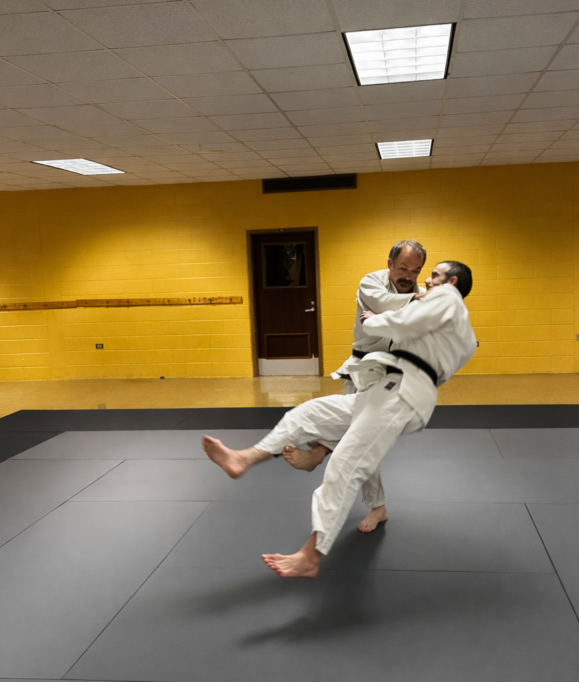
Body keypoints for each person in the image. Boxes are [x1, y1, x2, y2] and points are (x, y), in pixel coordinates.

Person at [203, 261, 477, 578]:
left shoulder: (447, 297)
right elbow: (417, 328)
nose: (427, 280)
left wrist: (376, 321)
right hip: (387, 388)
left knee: (346, 463)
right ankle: (244, 458)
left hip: (402, 394)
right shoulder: (458, 328)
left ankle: (311, 555)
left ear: (451, 282)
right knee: (309, 413)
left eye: (435, 275)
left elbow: (404, 322)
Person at [281, 239, 426, 473]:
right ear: (390, 263)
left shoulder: (422, 296)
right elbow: (383, 303)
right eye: (403, 268)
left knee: (362, 428)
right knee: (361, 429)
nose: (409, 276)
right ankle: (321, 453)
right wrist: (414, 302)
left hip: (393, 373)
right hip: (362, 365)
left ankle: (319, 451)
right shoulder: (371, 282)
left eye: (416, 271)